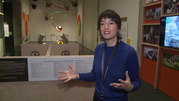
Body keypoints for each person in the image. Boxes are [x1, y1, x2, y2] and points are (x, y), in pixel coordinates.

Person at [58, 9, 141, 101]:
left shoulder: (129, 52)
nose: (106, 27)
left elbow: (137, 82)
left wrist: (130, 87)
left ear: (118, 28)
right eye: (102, 23)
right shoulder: (98, 49)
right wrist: (77, 75)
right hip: (97, 97)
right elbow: (95, 74)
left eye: (111, 23)